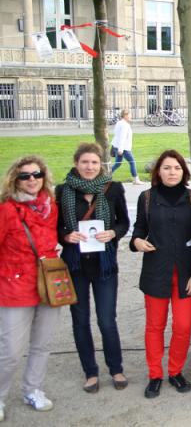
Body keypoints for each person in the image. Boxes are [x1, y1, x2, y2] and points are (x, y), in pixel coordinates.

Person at [56, 143, 130, 393]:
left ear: (101, 164)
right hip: (75, 264)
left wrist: (114, 233)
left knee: (107, 319)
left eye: (94, 162)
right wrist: (66, 237)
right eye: (85, 162)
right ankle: (90, 371)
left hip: (104, 265)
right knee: (80, 320)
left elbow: (124, 223)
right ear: (76, 163)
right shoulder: (63, 190)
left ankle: (116, 368)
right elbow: (56, 229)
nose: (89, 167)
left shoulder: (113, 188)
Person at [130, 150, 191, 398]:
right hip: (156, 271)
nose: (172, 172)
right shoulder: (147, 197)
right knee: (155, 325)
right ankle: (155, 374)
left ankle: (175, 370)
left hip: (185, 274)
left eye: (177, 168)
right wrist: (137, 241)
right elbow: (139, 228)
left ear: (184, 172)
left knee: (183, 325)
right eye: (167, 168)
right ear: (157, 172)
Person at [0, 157, 60, 418]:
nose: (32, 179)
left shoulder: (50, 206)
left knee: (42, 343)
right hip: (15, 285)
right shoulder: (6, 209)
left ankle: (32, 388)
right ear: (15, 179)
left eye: (36, 174)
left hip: (47, 282)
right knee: (11, 348)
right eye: (25, 176)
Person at [110, 109, 143, 184]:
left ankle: (106, 176)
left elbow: (115, 133)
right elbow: (122, 137)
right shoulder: (125, 125)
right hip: (124, 148)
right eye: (129, 115)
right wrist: (121, 149)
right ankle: (136, 180)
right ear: (125, 116)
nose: (131, 116)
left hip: (117, 146)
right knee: (132, 162)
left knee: (118, 163)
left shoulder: (119, 123)